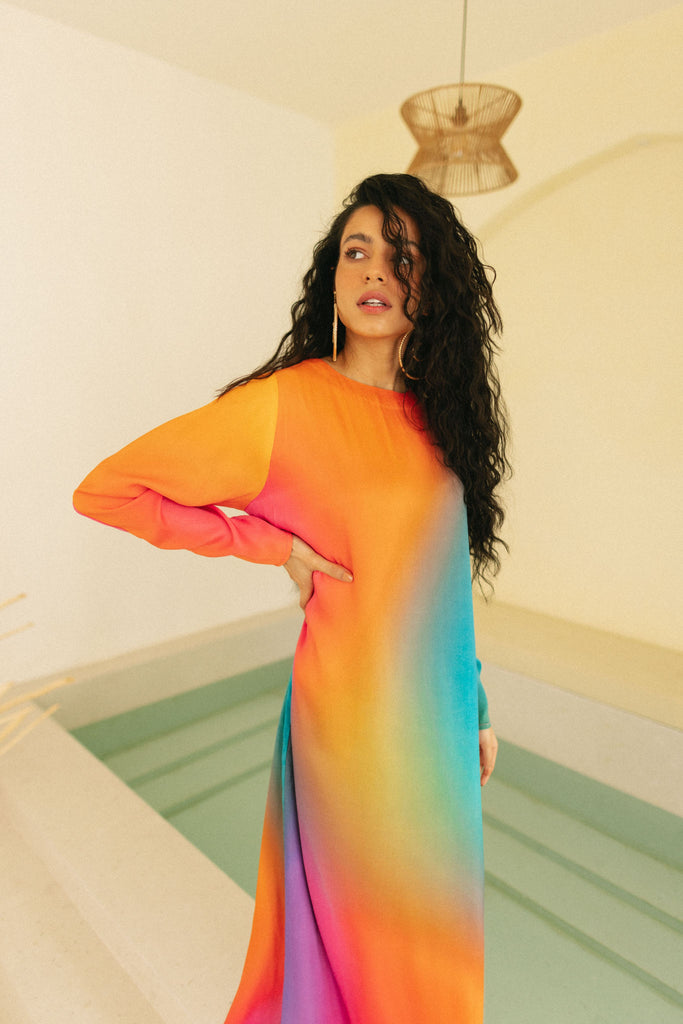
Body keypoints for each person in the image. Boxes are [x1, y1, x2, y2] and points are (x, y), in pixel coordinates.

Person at [73, 172, 509, 1024]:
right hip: (349, 732)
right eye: (355, 251)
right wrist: (269, 544)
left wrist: (478, 706)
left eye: (400, 255)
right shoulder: (285, 405)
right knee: (377, 962)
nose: (373, 269)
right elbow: (108, 491)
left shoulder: (439, 417)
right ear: (331, 275)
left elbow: (438, 584)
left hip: (438, 728)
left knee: (441, 956)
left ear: (433, 284)